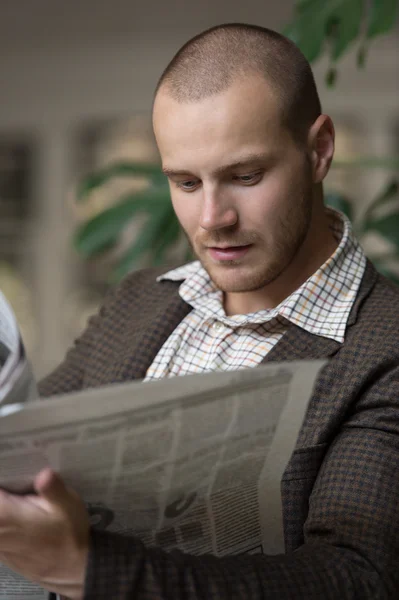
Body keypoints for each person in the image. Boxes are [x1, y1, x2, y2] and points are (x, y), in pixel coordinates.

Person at [1, 22, 399, 600]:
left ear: (319, 151)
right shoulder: (143, 299)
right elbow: (33, 448)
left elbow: (354, 579)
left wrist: (86, 569)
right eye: (185, 182)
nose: (212, 218)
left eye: (244, 176)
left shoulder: (385, 342)